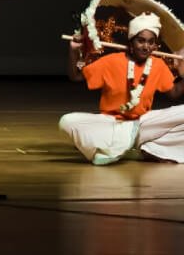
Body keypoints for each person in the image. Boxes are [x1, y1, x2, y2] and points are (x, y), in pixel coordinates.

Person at [59, 12, 184, 164]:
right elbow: (76, 76)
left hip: (143, 125)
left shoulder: (158, 65)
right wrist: (73, 50)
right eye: (141, 41)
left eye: (151, 42)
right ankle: (141, 149)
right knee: (68, 121)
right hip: (110, 124)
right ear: (131, 42)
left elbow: (175, 92)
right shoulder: (111, 61)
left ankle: (139, 148)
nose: (146, 47)